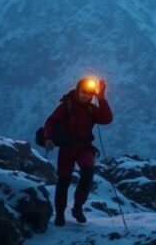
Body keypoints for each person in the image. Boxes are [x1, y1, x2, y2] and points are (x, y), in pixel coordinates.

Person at [43, 77, 113, 226]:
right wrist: (48, 138)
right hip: (67, 147)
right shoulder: (66, 106)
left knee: (87, 173)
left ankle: (78, 207)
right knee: (64, 180)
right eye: (83, 92)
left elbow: (107, 119)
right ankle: (60, 214)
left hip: (84, 147)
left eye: (89, 94)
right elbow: (51, 121)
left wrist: (102, 99)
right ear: (77, 90)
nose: (86, 96)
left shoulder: (90, 108)